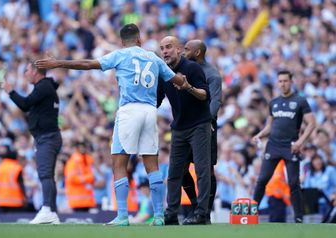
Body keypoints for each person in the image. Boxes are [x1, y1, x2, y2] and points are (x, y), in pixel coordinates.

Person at [35, 23, 190, 226]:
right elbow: (176, 80)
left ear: (121, 42)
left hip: (129, 110)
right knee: (152, 164)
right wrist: (187, 84)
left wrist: (58, 63)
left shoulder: (120, 55)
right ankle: (160, 216)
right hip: (150, 111)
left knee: (119, 164)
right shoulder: (153, 57)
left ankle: (123, 216)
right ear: (139, 40)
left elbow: (88, 64)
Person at [158, 36, 212, 225]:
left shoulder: (192, 68)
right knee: (174, 172)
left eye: (169, 47)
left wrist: (188, 86)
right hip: (179, 127)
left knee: (202, 170)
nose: (165, 51)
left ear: (179, 49)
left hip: (199, 125)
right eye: (162, 48)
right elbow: (156, 100)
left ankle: (202, 214)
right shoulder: (163, 73)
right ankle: (171, 213)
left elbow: (205, 95)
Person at [252, 70, 316, 223]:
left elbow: (312, 123)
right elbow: (269, 126)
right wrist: (260, 135)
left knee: (294, 182)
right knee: (262, 180)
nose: (283, 84)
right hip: (273, 145)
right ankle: (251, 213)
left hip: (291, 146)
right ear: (277, 83)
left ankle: (298, 217)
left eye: (285, 81)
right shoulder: (273, 102)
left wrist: (301, 142)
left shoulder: (300, 101)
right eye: (280, 81)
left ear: (291, 82)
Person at [3, 62, 62, 224]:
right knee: (48, 176)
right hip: (48, 137)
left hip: (47, 137)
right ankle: (52, 212)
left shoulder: (43, 86)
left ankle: (47, 209)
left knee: (45, 175)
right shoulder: (46, 87)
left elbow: (25, 104)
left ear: (36, 71)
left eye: (27, 70)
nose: (25, 73)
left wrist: (10, 91)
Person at [183, 39, 222, 224]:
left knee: (206, 170)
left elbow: (215, 101)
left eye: (187, 49)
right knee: (181, 167)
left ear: (197, 52)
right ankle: (196, 205)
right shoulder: (186, 69)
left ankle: (204, 212)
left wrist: (208, 120)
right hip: (186, 125)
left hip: (206, 126)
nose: (183, 51)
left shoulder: (212, 74)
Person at [0, 143, 26, 213]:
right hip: (15, 201)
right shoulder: (17, 168)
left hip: (1, 201)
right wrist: (25, 196)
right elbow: (21, 184)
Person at [65, 141, 96, 212]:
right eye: (80, 148)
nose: (83, 149)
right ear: (76, 149)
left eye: (84, 147)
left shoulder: (89, 160)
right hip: (76, 200)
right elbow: (71, 179)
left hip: (88, 200)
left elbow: (94, 176)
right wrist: (89, 178)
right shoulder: (72, 162)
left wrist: (89, 178)